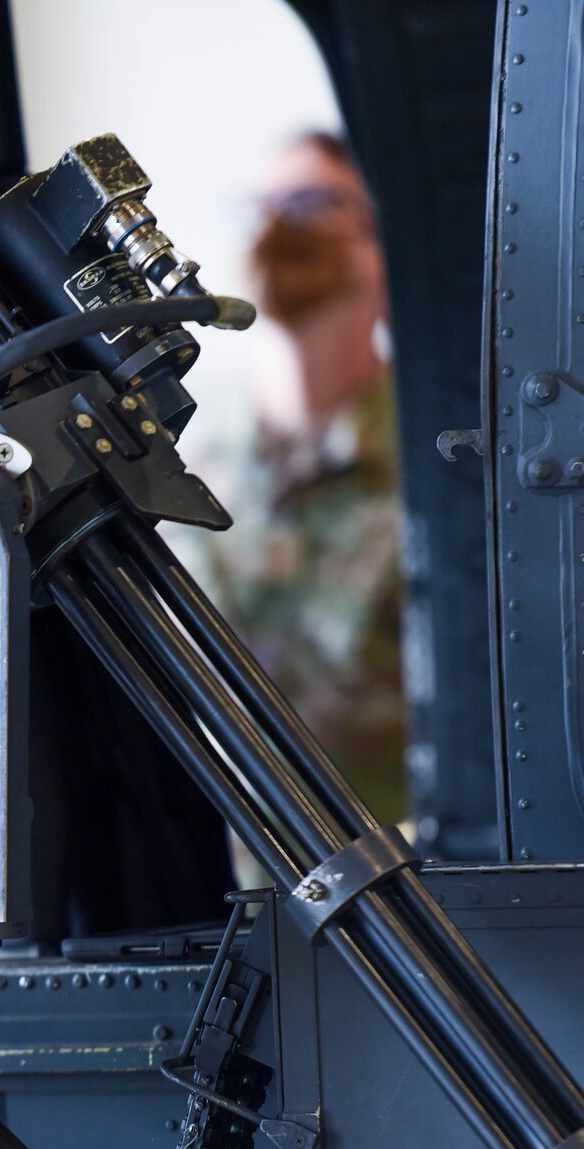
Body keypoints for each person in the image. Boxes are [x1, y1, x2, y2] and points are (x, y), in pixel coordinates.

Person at [170, 131, 407, 829]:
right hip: (223, 897)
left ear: (380, 254)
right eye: (263, 207)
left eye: (314, 204)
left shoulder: (444, 462)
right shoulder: (174, 464)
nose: (281, 226)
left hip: (406, 894)